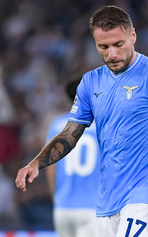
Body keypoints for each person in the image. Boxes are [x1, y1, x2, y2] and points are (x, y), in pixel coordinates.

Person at [16, 5, 148, 237]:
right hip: (105, 203)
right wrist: (36, 163)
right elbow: (70, 134)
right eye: (103, 47)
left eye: (118, 45)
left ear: (133, 36)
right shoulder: (90, 83)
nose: (112, 54)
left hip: (146, 198)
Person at [45, 77, 100, 237]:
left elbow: (50, 167)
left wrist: (56, 198)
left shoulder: (57, 125)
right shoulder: (103, 125)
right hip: (92, 207)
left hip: (63, 208)